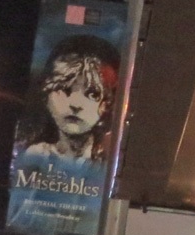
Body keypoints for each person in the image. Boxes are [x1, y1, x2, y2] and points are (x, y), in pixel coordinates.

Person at [14, 34, 121, 165]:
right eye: (65, 89)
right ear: (46, 92)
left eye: (92, 94)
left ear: (108, 103)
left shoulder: (107, 161)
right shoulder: (35, 155)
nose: (76, 105)